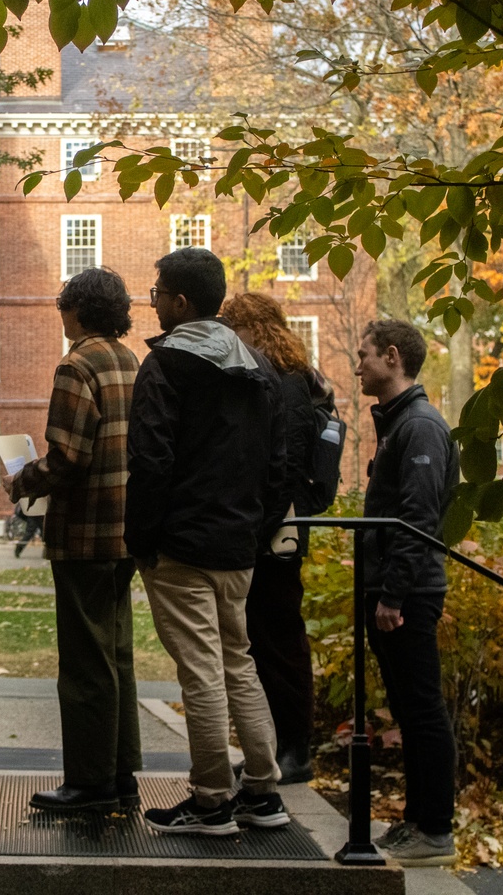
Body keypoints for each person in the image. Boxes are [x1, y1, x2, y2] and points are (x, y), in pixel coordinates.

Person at [125, 248, 289, 837]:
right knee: (238, 664)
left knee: (201, 670)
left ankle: (213, 799)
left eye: (157, 292)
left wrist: (141, 539)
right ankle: (263, 792)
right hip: (238, 546)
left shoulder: (166, 365)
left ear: (181, 303)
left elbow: (149, 460)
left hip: (181, 547)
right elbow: (278, 466)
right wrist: (257, 528)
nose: (152, 300)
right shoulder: (260, 370)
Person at [1, 267, 143, 814]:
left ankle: (89, 782)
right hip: (126, 532)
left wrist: (21, 481)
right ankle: (122, 773)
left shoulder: (76, 364)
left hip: (83, 533)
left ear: (77, 309)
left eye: (64, 306)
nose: (61, 315)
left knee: (85, 663)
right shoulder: (132, 362)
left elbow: (67, 457)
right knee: (118, 655)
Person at [355, 319, 460, 865]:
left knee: (420, 710)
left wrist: (393, 595)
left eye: (365, 355)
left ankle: (435, 830)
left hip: (411, 593)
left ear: (393, 357)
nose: (358, 365)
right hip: (397, 587)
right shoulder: (399, 424)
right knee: (407, 706)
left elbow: (418, 518)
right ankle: (418, 820)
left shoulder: (419, 427)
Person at [220, 292, 326, 785]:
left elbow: (285, 465)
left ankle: (295, 750)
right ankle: (276, 746)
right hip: (273, 526)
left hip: (277, 530)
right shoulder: (291, 378)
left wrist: (259, 527)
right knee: (263, 640)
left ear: (249, 329)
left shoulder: (284, 383)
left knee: (279, 638)